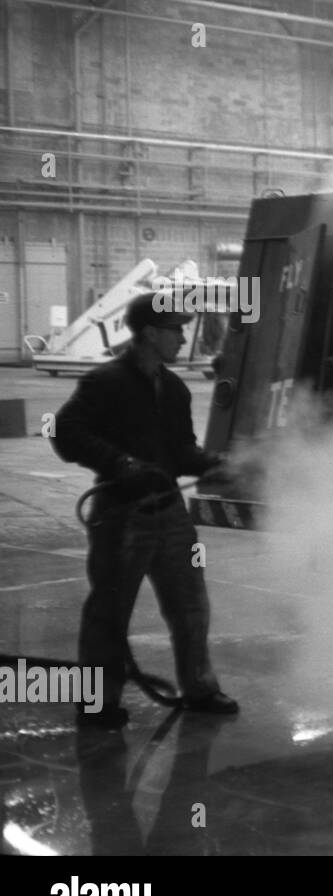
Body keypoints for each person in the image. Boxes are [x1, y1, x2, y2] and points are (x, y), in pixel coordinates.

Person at [53, 291, 239, 728]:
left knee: (191, 606)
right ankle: (99, 702)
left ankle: (199, 688)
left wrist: (213, 464)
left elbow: (180, 450)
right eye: (175, 329)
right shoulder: (106, 382)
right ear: (151, 333)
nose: (182, 335)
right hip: (121, 514)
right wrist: (120, 463)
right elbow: (65, 432)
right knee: (109, 614)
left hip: (170, 515)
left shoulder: (173, 388)